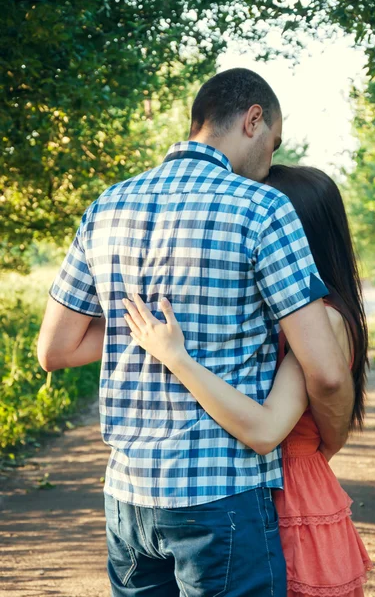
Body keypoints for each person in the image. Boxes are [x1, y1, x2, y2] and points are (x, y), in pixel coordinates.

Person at [37, 68, 354, 596]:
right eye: (273, 144)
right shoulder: (263, 207)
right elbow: (323, 372)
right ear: (254, 120)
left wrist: (146, 333)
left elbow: (55, 348)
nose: (269, 162)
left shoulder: (106, 205)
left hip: (128, 496)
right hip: (222, 495)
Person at [123, 165, 373, 596]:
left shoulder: (324, 319)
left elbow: (266, 430)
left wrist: (176, 357)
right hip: (258, 485)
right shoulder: (274, 314)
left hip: (291, 491)